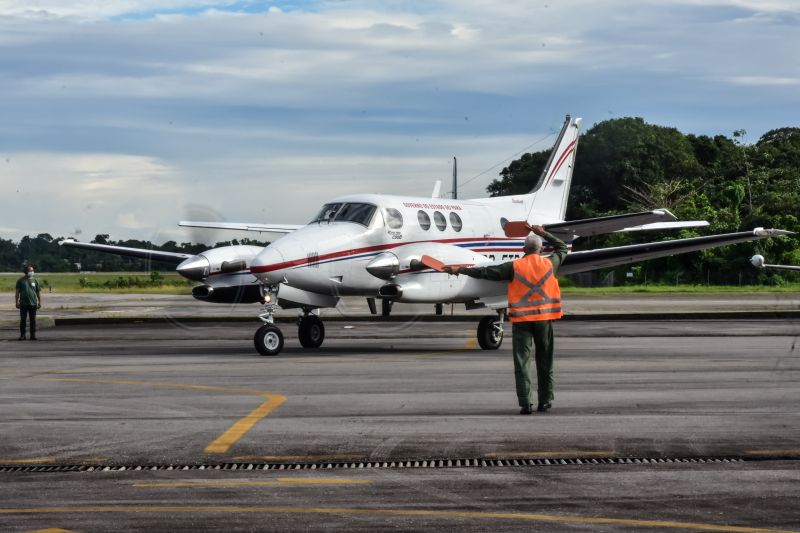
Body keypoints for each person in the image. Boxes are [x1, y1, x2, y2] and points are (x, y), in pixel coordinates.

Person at [444, 225, 568, 415]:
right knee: (545, 360)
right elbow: (562, 248)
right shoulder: (550, 263)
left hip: (522, 320)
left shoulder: (514, 266)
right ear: (541, 249)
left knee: (522, 362)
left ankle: (526, 402)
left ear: (523, 250)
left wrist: (458, 269)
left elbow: (484, 272)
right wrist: (543, 233)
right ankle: (545, 400)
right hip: (544, 319)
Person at [15, 265, 42, 340]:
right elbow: (17, 293)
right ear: (26, 271)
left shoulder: (35, 280)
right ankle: (22, 335)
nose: (32, 272)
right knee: (23, 320)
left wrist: (40, 302)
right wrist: (16, 302)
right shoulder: (20, 280)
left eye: (32, 271)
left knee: (32, 320)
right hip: (23, 304)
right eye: (30, 271)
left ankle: (32, 335)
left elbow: (38, 292)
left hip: (33, 304)